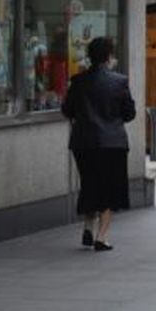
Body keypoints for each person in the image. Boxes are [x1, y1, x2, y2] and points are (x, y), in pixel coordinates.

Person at [62, 35, 136, 252]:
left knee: (90, 183)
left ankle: (87, 225)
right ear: (109, 56)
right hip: (113, 143)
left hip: (84, 142)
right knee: (109, 189)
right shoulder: (120, 82)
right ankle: (101, 238)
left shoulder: (78, 81)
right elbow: (129, 113)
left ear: (90, 56)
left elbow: (67, 110)